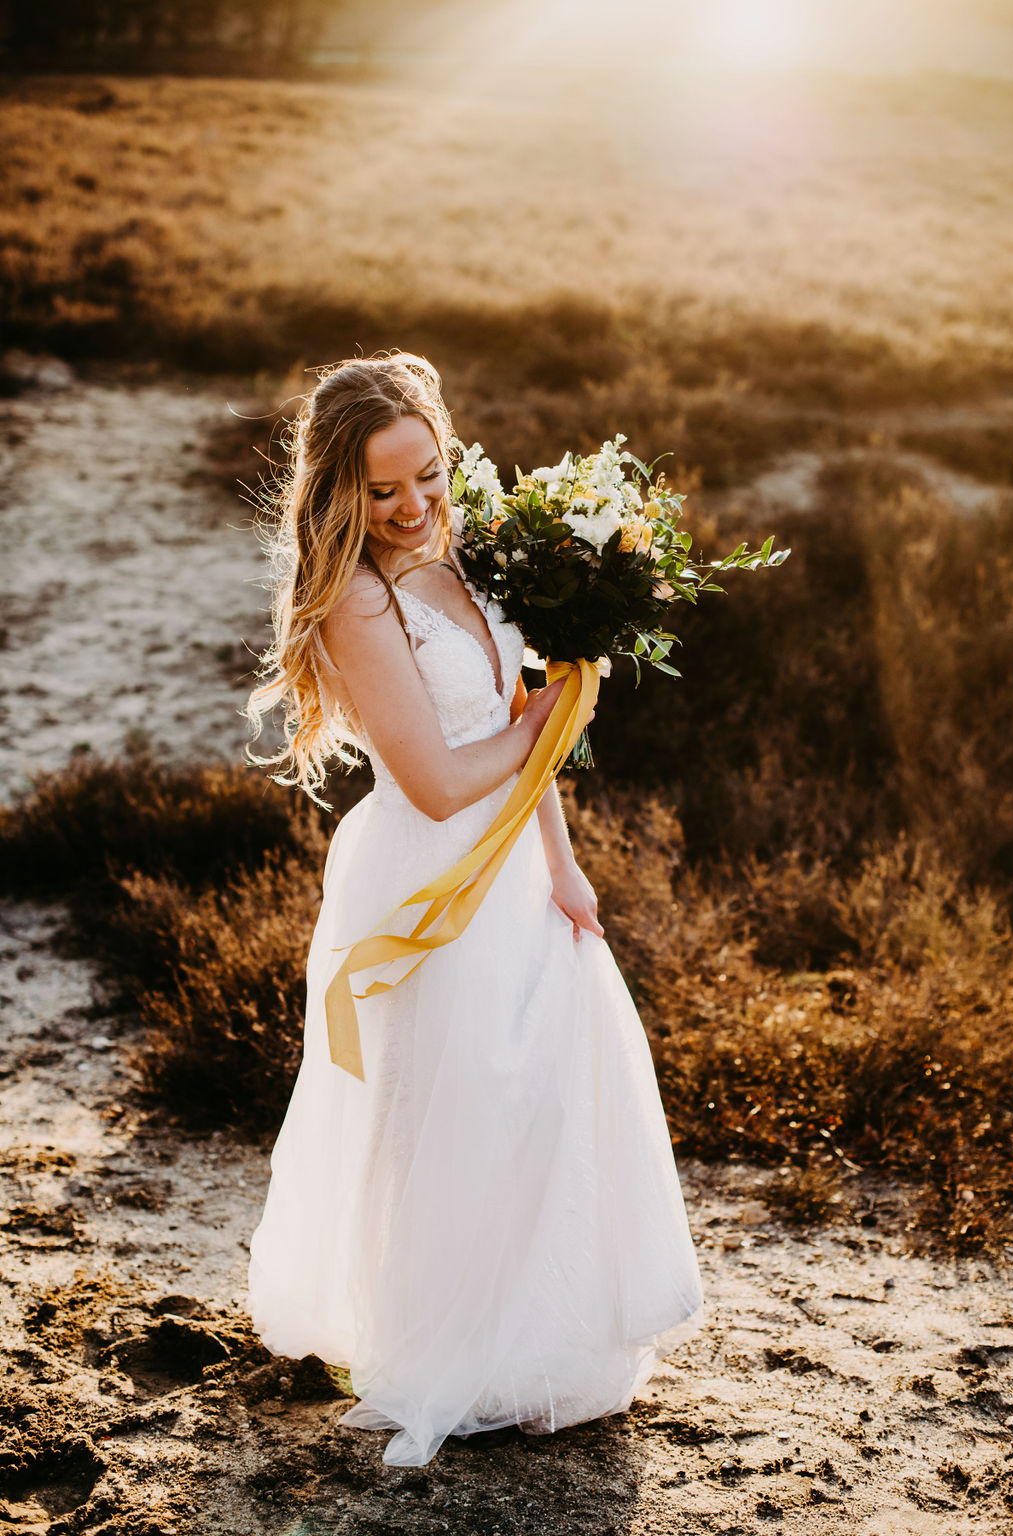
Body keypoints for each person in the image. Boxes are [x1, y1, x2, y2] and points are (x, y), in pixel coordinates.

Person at [246, 352, 703, 1468]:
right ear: (339, 491)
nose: (412, 510)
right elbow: (442, 780)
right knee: (458, 1111)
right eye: (383, 492)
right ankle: (458, 1351)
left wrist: (565, 862)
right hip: (430, 877)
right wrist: (546, 717)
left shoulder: (466, 556)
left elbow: (513, 738)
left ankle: (543, 1344)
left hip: (517, 864)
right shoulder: (358, 600)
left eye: (428, 479)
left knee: (549, 1092)